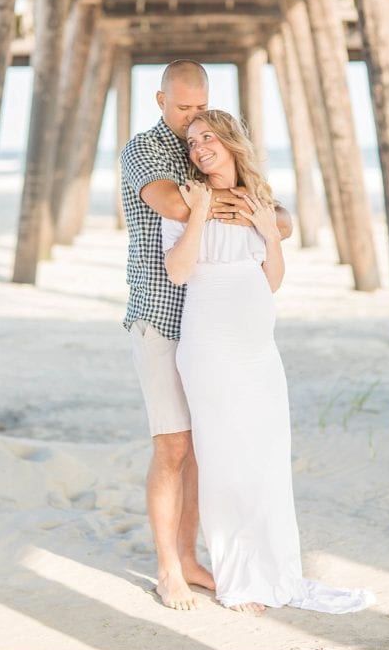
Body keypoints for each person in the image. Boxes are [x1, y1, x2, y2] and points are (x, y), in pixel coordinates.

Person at [162, 109, 374, 614]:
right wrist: (196, 216)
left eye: (208, 137)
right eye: (192, 142)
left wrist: (268, 231)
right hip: (210, 347)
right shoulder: (188, 198)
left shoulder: (261, 202)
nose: (199, 148)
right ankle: (238, 577)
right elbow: (178, 271)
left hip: (259, 350)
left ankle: (276, 571)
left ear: (233, 142)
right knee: (225, 460)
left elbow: (271, 280)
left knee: (267, 458)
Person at [120, 60, 293, 610]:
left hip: (213, 323)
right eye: (182, 110)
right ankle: (168, 567)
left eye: (201, 110)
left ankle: (191, 557)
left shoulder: (205, 146)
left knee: (202, 448)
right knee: (172, 445)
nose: (192, 121)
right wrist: (242, 203)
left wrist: (258, 209)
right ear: (159, 100)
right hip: (161, 315)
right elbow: (173, 205)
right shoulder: (143, 150)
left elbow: (284, 220)